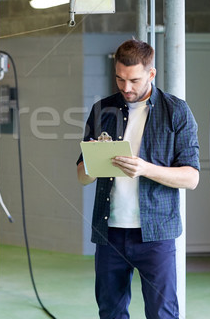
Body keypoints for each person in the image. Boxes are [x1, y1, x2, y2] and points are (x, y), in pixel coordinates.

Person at [76, 39, 200, 319]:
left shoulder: (176, 112)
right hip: (109, 233)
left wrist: (144, 168)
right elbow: (82, 177)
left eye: (134, 80)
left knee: (162, 313)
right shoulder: (102, 110)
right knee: (110, 312)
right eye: (120, 78)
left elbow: (191, 178)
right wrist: (97, 161)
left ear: (151, 74)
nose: (126, 88)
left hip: (156, 235)